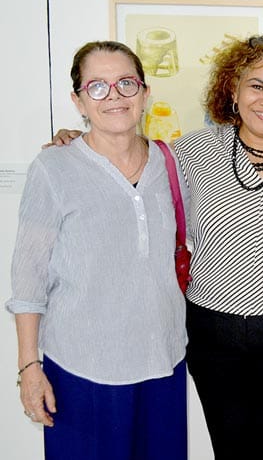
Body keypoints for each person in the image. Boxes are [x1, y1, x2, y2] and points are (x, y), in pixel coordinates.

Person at [49, 35, 263, 459]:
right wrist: (76, 141)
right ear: (233, 91)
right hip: (212, 331)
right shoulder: (190, 151)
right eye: (257, 86)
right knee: (230, 448)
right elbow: (125, 156)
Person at [7, 40, 189, 460]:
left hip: (162, 360)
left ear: (145, 92)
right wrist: (29, 367)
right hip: (82, 368)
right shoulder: (53, 168)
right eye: (97, 86)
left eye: (126, 83)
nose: (115, 96)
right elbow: (28, 278)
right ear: (79, 101)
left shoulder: (171, 163)